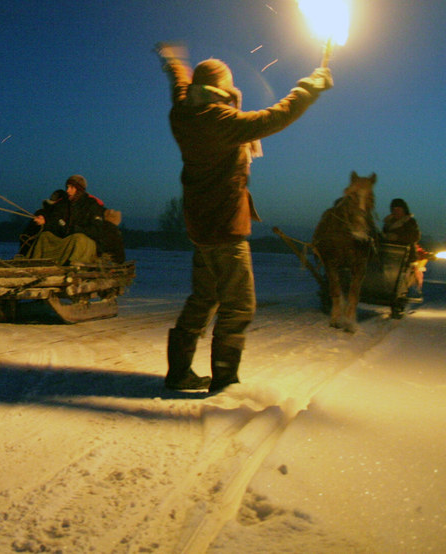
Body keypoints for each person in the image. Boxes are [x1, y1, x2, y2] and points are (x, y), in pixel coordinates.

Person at [156, 43, 332, 393]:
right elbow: (275, 117)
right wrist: (309, 88)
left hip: (201, 226)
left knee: (204, 298)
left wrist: (174, 62)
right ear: (221, 88)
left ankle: (178, 374)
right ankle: (224, 382)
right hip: (223, 227)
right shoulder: (220, 121)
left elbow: (180, 86)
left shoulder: (184, 111)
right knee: (238, 306)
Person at [23, 175, 125, 264]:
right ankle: (34, 262)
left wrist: (73, 229)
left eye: (72, 187)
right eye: (67, 187)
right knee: (45, 236)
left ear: (79, 189)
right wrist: (45, 222)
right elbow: (55, 220)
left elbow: (96, 230)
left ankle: (74, 263)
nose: (68, 191)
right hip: (67, 238)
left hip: (85, 242)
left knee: (78, 238)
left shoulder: (91, 205)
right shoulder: (64, 204)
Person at [382, 198, 425, 293]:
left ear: (404, 210)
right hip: (388, 254)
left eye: (398, 209)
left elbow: (414, 236)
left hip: (405, 256)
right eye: (394, 209)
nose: (396, 211)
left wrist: (396, 238)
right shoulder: (388, 223)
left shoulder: (410, 222)